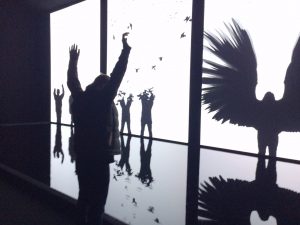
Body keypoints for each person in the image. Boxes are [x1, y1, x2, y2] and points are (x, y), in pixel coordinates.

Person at [67, 32, 131, 225]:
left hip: (83, 157)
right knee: (98, 204)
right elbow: (117, 75)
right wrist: (125, 51)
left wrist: (72, 60)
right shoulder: (104, 100)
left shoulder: (81, 97)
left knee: (84, 197)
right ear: (105, 87)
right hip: (100, 158)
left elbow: (72, 81)